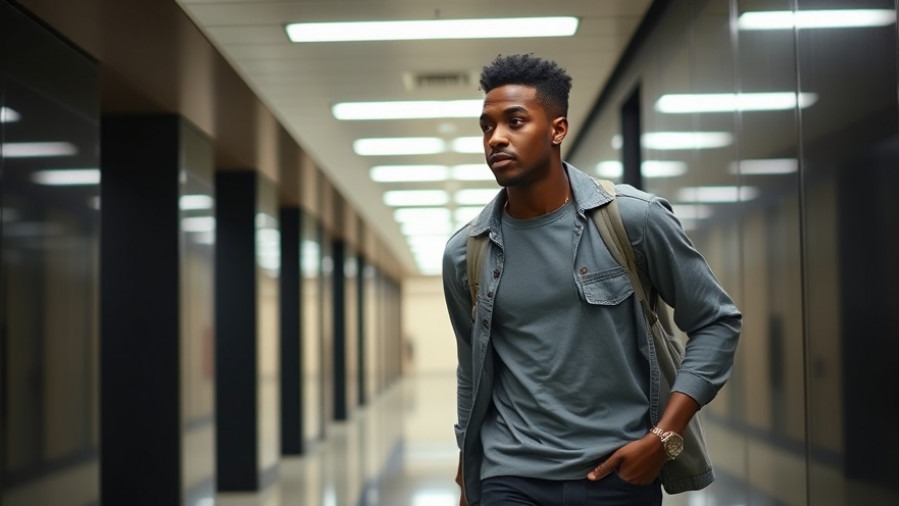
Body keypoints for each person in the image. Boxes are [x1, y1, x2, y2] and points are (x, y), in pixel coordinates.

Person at [441, 53, 742, 506]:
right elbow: (473, 369)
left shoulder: (634, 220)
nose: (496, 138)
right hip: (511, 475)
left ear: (557, 130)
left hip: (617, 474)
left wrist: (663, 437)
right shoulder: (467, 253)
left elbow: (717, 322)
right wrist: (470, 470)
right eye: (487, 126)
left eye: (515, 121)